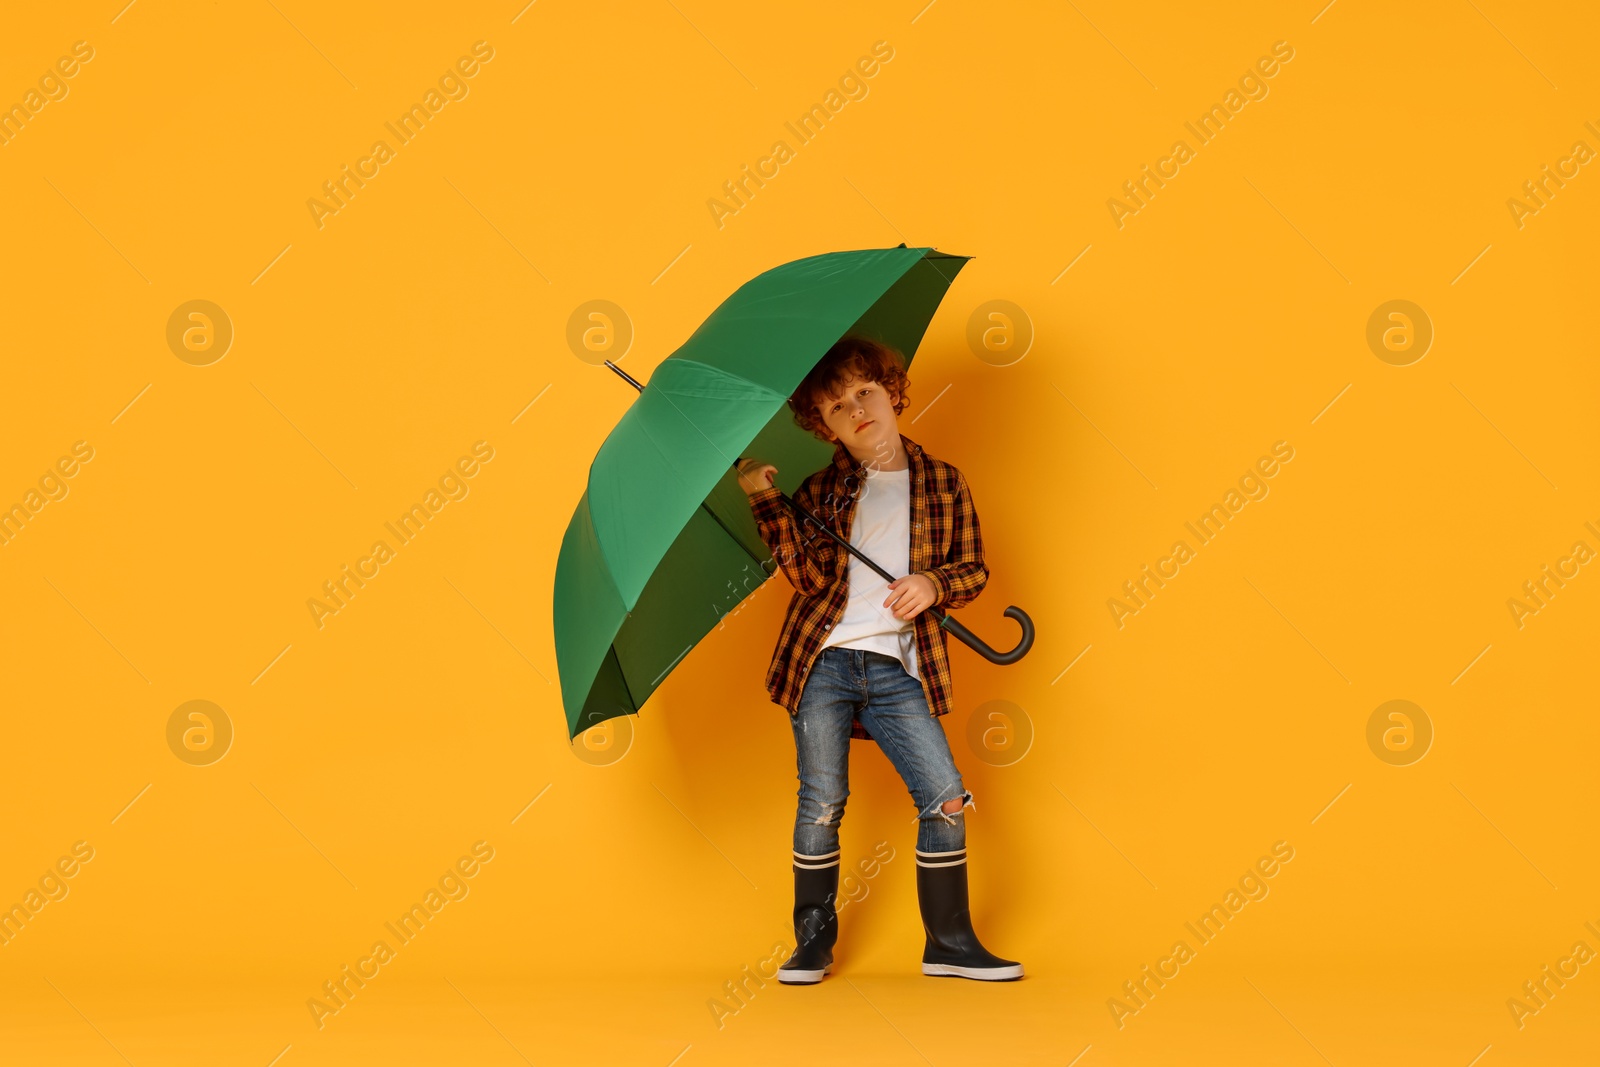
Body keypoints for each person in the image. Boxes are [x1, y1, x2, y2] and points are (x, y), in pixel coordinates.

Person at [738, 334, 1022, 984]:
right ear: (824, 426)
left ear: (892, 393)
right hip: (824, 663)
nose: (857, 409)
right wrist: (763, 498)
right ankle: (811, 943)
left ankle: (949, 941)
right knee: (821, 800)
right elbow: (808, 579)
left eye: (866, 392)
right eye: (838, 406)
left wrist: (933, 584)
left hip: (899, 667)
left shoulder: (944, 482)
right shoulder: (818, 492)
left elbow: (972, 566)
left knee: (945, 797)